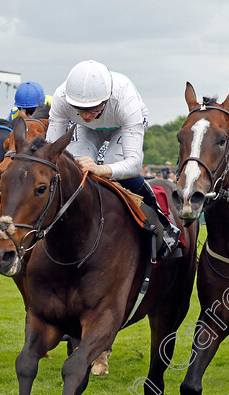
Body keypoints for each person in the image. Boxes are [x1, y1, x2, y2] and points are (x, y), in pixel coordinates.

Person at [46, 60, 180, 257]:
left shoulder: (125, 99)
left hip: (122, 125)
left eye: (93, 109)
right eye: (79, 109)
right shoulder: (60, 97)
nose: (86, 116)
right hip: (87, 132)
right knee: (77, 168)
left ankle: (162, 222)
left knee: (114, 169)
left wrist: (102, 169)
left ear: (107, 99)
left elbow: (133, 164)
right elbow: (52, 154)